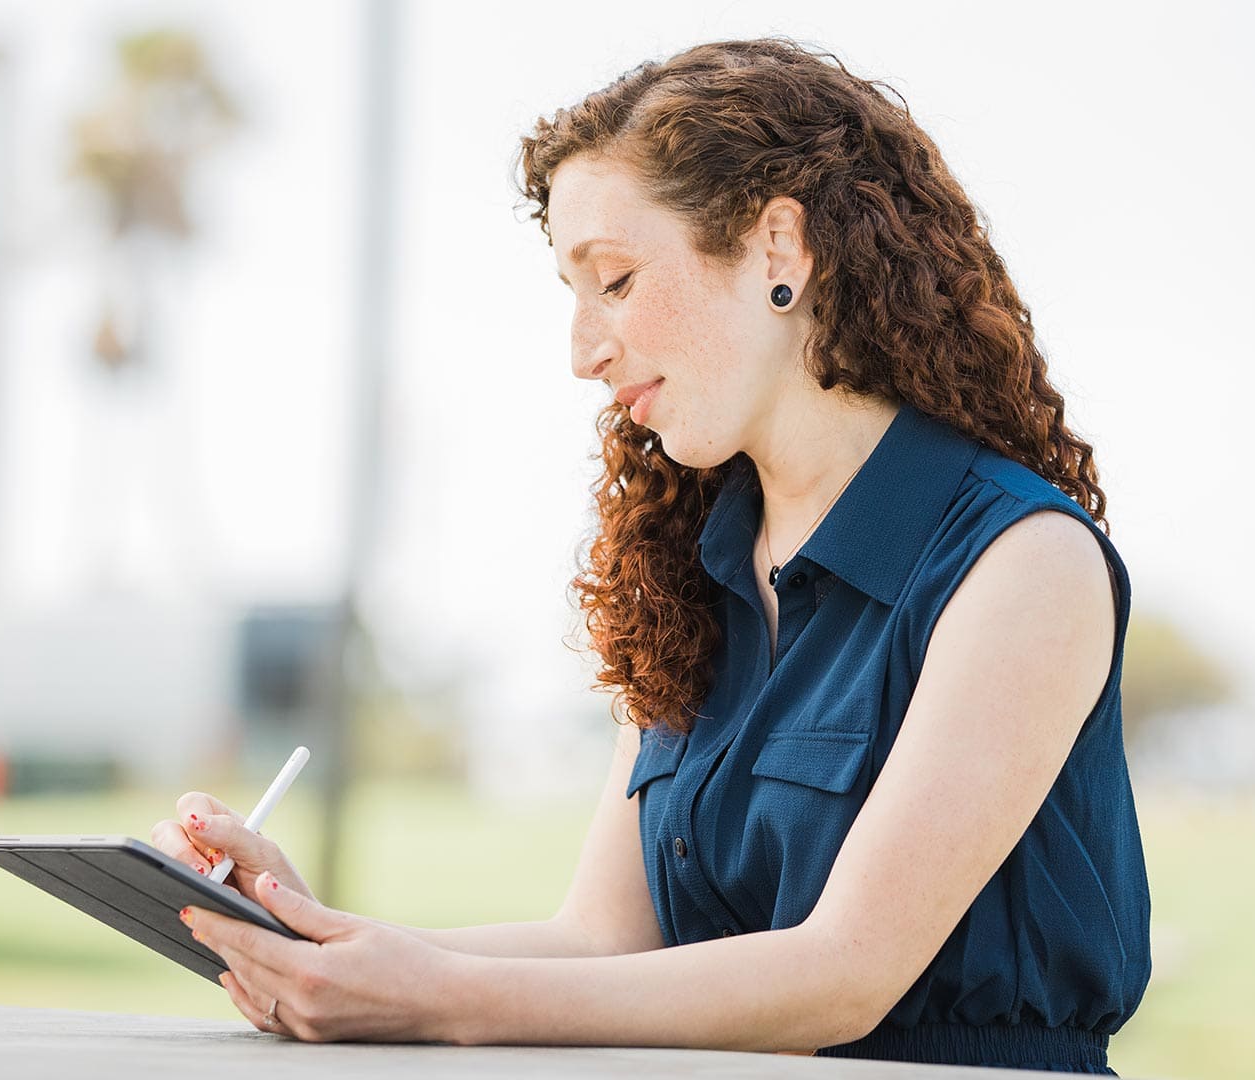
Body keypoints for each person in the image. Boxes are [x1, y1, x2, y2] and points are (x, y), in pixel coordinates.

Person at [155, 36, 1149, 1074]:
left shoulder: (1023, 563)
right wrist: (310, 933)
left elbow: (844, 974)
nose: (582, 351)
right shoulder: (690, 571)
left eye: (616, 282)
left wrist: (439, 998)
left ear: (778, 250)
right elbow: (598, 946)